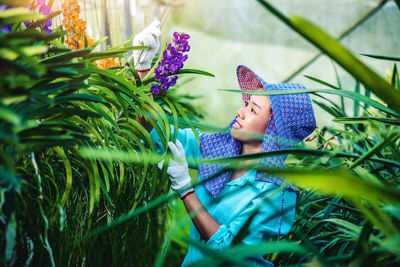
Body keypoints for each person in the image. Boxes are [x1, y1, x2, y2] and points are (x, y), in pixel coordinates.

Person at [133, 22, 317, 266]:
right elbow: (156, 137)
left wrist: (186, 191)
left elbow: (226, 249)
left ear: (272, 132)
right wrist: (144, 74)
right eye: (246, 104)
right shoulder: (219, 150)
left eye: (253, 109)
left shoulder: (274, 193)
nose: (240, 112)